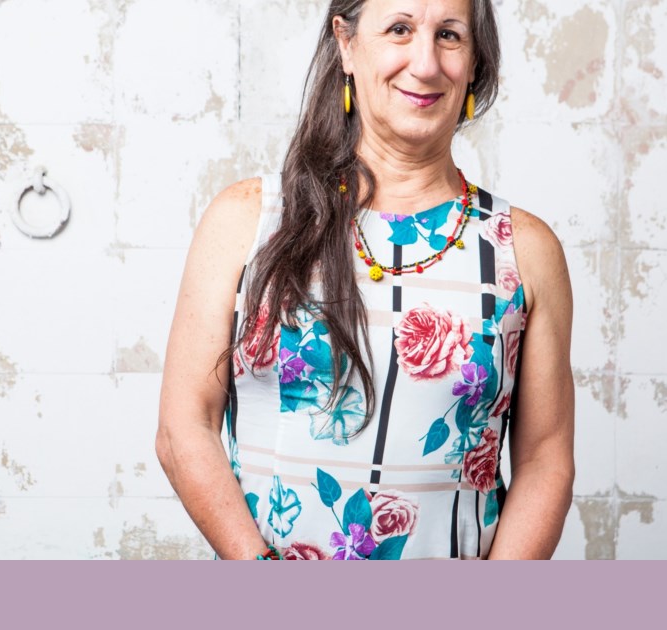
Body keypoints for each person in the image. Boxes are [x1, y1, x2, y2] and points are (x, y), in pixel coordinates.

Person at [155, 0, 574, 560]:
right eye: (399, 29)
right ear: (347, 44)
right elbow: (185, 427)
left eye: (449, 36)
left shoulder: (525, 250)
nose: (425, 64)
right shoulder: (246, 220)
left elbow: (546, 460)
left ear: (475, 62)